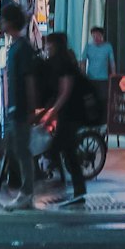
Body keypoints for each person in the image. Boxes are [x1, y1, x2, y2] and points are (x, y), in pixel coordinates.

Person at [40, 32, 87, 206]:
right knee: (68, 151)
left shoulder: (65, 64)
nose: (47, 49)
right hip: (69, 113)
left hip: (71, 114)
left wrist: (52, 112)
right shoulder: (61, 62)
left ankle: (78, 189)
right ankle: (79, 190)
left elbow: (65, 91)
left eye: (49, 46)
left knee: (60, 148)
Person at [2, 1, 37, 211]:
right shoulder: (16, 47)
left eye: (4, 20)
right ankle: (25, 191)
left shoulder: (22, 48)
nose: (2, 25)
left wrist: (31, 109)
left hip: (21, 108)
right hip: (15, 107)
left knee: (22, 150)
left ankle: (27, 192)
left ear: (11, 22)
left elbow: (29, 79)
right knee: (16, 148)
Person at [80, 26, 116, 113]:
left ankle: (103, 119)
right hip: (90, 78)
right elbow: (83, 62)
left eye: (98, 36)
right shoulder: (88, 46)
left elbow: (112, 62)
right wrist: (83, 75)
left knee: (104, 99)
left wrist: (114, 76)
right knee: (91, 100)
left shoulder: (108, 46)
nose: (96, 38)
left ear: (102, 36)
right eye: (94, 36)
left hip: (103, 78)